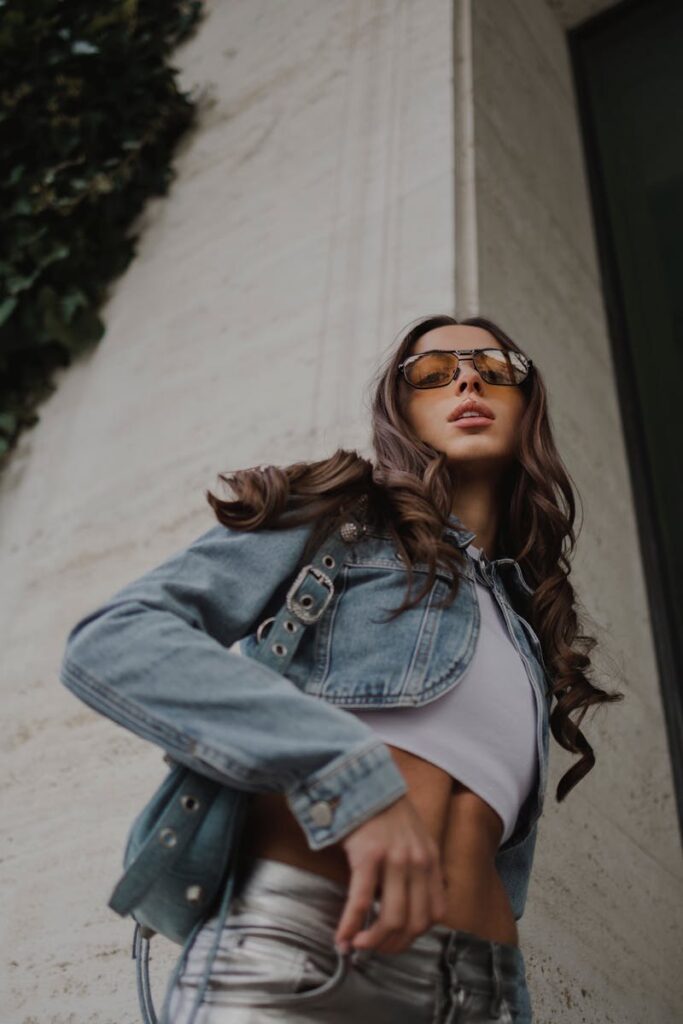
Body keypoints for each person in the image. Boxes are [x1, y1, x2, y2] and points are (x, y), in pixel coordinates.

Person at [59, 314, 623, 1024]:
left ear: (525, 402)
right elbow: (117, 639)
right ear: (400, 409)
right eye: (431, 372)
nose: (467, 378)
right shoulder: (341, 518)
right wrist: (344, 774)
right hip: (304, 953)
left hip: (481, 997)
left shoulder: (526, 627)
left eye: (494, 365)